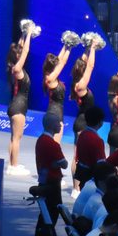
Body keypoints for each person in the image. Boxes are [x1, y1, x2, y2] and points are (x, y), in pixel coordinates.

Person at [33, 113, 68, 236]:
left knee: (45, 215)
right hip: (52, 184)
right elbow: (64, 164)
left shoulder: (41, 140)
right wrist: (57, 163)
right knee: (50, 217)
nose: (60, 125)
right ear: (51, 125)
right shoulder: (53, 144)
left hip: (44, 181)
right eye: (58, 123)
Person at [70, 44, 98, 195]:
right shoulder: (80, 85)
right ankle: (75, 188)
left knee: (81, 157)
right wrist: (93, 47)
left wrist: (87, 48)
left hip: (83, 122)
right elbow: (91, 66)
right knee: (78, 157)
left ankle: (79, 186)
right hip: (82, 124)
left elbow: (85, 62)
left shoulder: (77, 82)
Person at [7, 27, 34, 175]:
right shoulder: (17, 68)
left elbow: (21, 48)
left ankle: (12, 165)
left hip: (15, 104)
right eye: (19, 52)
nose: (21, 52)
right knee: (17, 138)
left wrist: (23, 34)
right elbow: (25, 51)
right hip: (19, 106)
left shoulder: (15, 68)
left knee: (14, 138)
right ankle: (14, 166)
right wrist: (29, 33)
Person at [43, 41, 72, 143]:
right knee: (55, 145)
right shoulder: (50, 78)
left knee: (50, 144)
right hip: (56, 115)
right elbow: (62, 62)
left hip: (51, 113)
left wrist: (65, 44)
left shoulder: (48, 76)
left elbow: (59, 60)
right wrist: (70, 47)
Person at [75, 106, 107, 188]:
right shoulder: (98, 140)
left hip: (82, 175)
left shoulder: (81, 135)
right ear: (100, 122)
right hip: (92, 179)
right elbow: (101, 164)